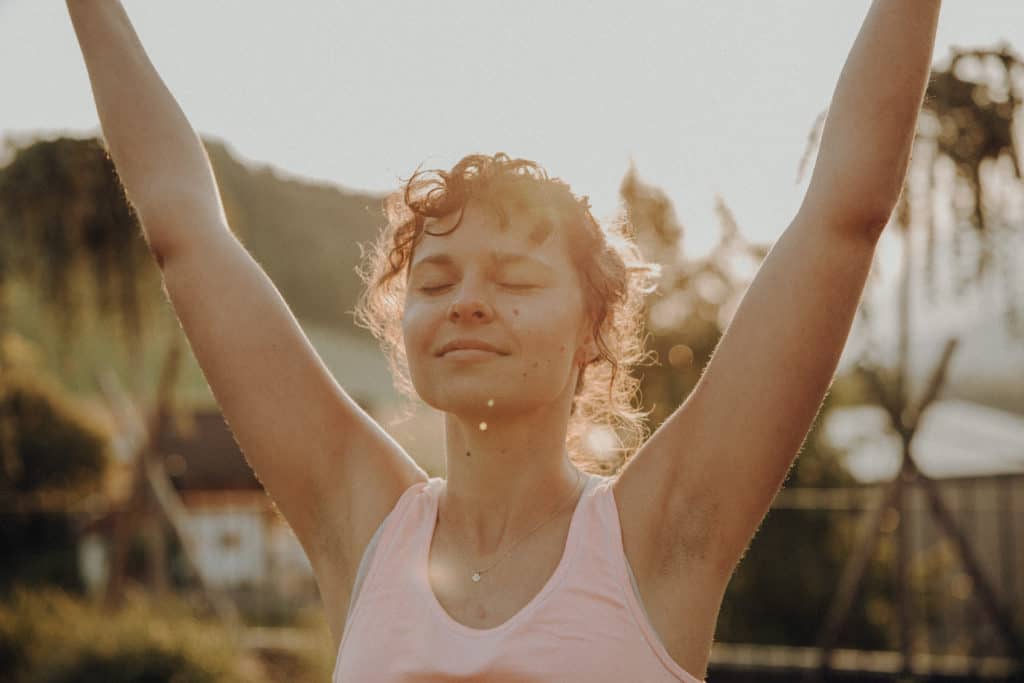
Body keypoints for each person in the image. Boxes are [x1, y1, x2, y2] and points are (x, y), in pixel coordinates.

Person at [67, 1, 942, 680]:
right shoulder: (360, 523)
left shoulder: (658, 535)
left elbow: (843, 217)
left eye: (517, 281)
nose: (468, 304)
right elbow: (185, 229)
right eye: (435, 283)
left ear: (591, 330)